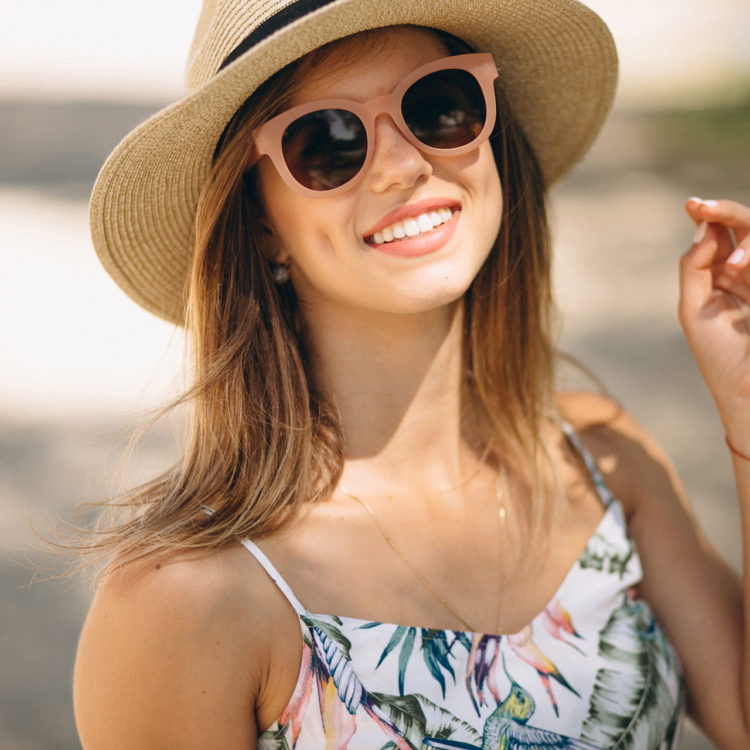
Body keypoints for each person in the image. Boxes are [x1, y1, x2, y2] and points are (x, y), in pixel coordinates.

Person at [72, 1, 750, 748]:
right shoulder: (187, 601)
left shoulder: (604, 460)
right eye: (326, 141)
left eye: (439, 106)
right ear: (262, 224)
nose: (404, 165)